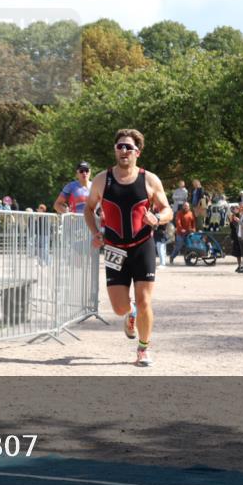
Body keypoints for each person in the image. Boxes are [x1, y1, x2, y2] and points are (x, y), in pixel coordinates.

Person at [84, 129, 172, 367]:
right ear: (115, 150)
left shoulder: (150, 180)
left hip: (142, 246)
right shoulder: (103, 180)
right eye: (120, 147)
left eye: (128, 147)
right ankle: (130, 313)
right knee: (120, 307)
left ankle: (143, 350)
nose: (123, 151)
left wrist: (157, 218)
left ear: (137, 153)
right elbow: (89, 209)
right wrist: (95, 232)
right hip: (114, 248)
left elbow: (167, 210)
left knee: (145, 301)